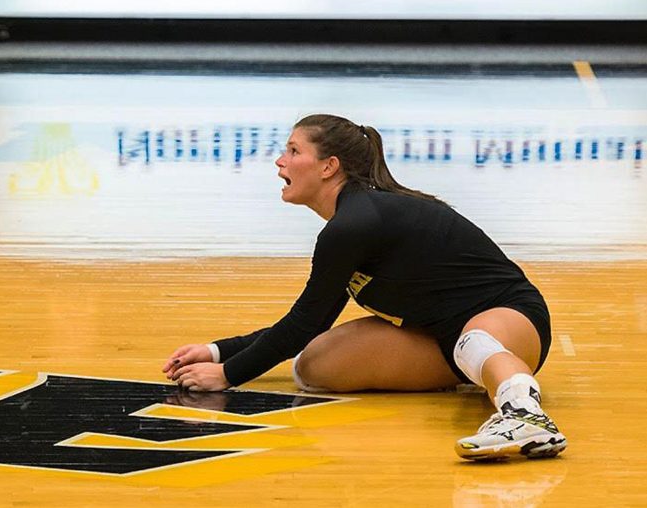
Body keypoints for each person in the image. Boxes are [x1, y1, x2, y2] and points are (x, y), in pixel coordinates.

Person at [163, 113, 567, 461]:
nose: (280, 160)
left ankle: (525, 417)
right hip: (436, 338)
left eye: (293, 151)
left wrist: (228, 374)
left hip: (512, 319)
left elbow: (303, 321)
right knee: (313, 368)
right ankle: (477, 378)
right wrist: (219, 350)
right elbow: (312, 320)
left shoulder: (357, 222)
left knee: (472, 342)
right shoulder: (348, 225)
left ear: (328, 167)